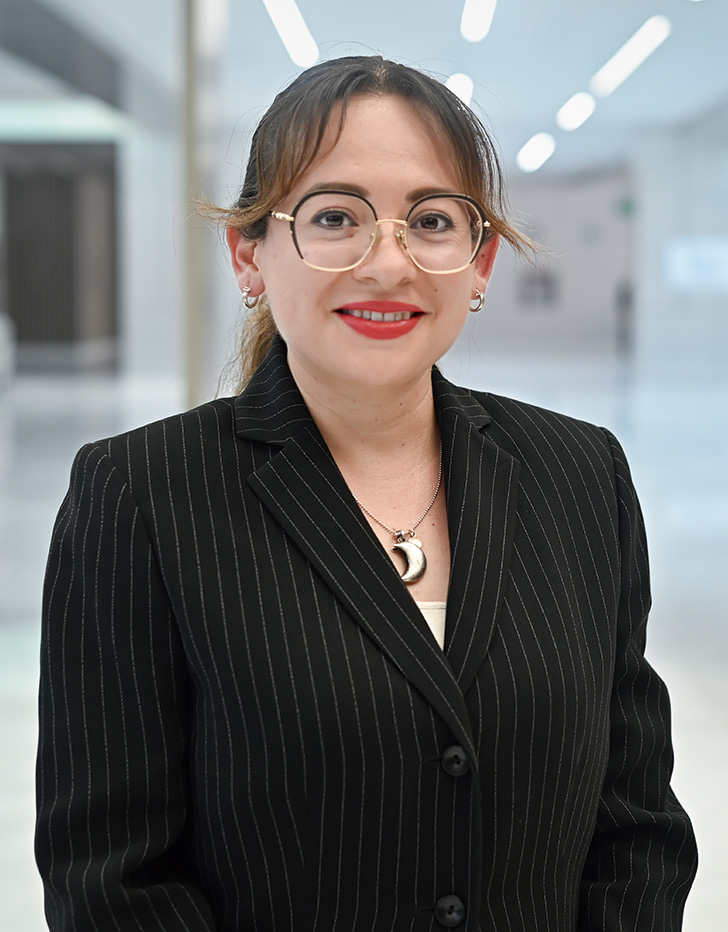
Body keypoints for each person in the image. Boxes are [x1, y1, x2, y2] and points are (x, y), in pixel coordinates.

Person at [35, 55, 697, 932]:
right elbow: (110, 879)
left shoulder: (580, 474)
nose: (388, 263)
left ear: (480, 260)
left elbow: (636, 823)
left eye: (430, 220)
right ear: (250, 254)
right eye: (335, 217)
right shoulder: (143, 494)